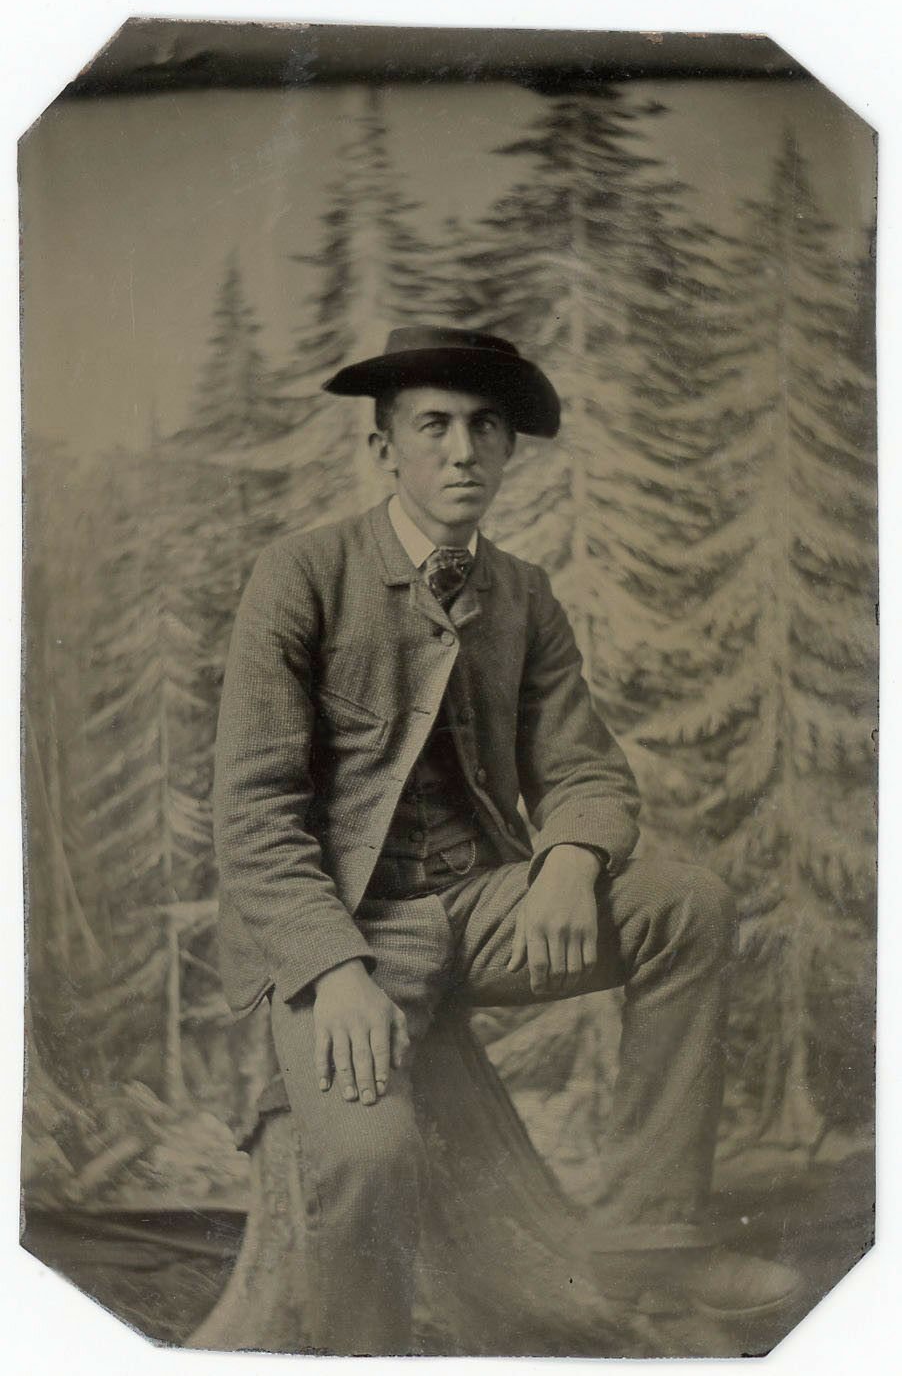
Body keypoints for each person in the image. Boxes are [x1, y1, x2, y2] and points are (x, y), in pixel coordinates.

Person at [213, 326, 799, 1355]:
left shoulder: (520, 592)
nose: (461, 450)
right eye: (431, 425)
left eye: (485, 427)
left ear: (509, 448)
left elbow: (581, 769)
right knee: (370, 1158)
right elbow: (252, 816)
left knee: (685, 905)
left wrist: (569, 860)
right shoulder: (300, 575)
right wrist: (332, 968)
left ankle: (644, 1242)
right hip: (343, 934)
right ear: (383, 446)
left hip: (480, 913)